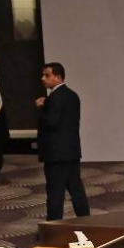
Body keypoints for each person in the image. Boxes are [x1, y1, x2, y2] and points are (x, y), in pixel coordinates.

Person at [36, 62, 90, 222]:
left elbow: (51, 122)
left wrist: (40, 108)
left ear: (58, 77)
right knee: (76, 190)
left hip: (56, 155)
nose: (43, 78)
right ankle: (87, 222)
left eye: (47, 75)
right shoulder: (73, 95)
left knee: (55, 194)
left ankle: (54, 228)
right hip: (72, 151)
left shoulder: (54, 98)